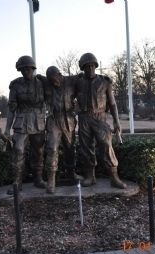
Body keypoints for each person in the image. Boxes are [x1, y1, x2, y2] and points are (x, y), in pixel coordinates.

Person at [74, 52, 127, 189]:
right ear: (82, 67)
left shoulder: (105, 82)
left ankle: (114, 177)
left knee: (106, 145)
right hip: (84, 117)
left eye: (92, 66)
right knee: (86, 148)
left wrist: (116, 121)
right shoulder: (78, 82)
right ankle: (90, 176)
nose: (90, 68)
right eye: (87, 66)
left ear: (96, 66)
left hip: (100, 117)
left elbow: (113, 103)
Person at [4, 55, 46, 192]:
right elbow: (11, 109)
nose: (26, 72)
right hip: (21, 123)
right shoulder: (15, 86)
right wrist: (7, 129)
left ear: (33, 69)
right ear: (20, 70)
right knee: (18, 151)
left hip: (38, 123)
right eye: (23, 70)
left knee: (39, 152)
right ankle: (17, 182)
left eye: (28, 69)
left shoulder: (42, 83)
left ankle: (38, 179)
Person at [43, 66, 78, 194]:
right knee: (52, 148)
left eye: (55, 79)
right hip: (54, 119)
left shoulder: (71, 81)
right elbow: (32, 78)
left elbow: (85, 76)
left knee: (70, 148)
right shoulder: (46, 83)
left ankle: (71, 173)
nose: (54, 82)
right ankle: (51, 179)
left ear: (59, 74)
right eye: (51, 80)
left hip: (68, 119)